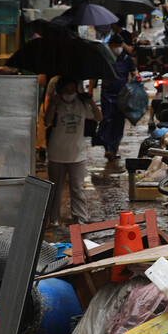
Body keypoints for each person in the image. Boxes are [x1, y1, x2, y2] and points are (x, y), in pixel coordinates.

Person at [44, 76, 102, 226]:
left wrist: (90, 101)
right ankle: (53, 217)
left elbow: (98, 117)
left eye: (72, 90)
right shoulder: (56, 105)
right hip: (57, 155)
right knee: (55, 189)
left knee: (77, 189)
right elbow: (46, 121)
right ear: (60, 91)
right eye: (66, 90)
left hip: (78, 155)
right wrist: (52, 104)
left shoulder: (81, 104)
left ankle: (80, 218)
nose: (69, 93)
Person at [94, 33, 141, 160]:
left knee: (119, 122)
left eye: (119, 45)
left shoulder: (127, 59)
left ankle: (115, 148)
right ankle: (108, 147)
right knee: (107, 120)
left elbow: (134, 72)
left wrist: (137, 78)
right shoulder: (104, 58)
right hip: (107, 95)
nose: (117, 47)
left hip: (122, 96)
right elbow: (96, 75)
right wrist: (90, 90)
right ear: (109, 45)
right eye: (114, 45)